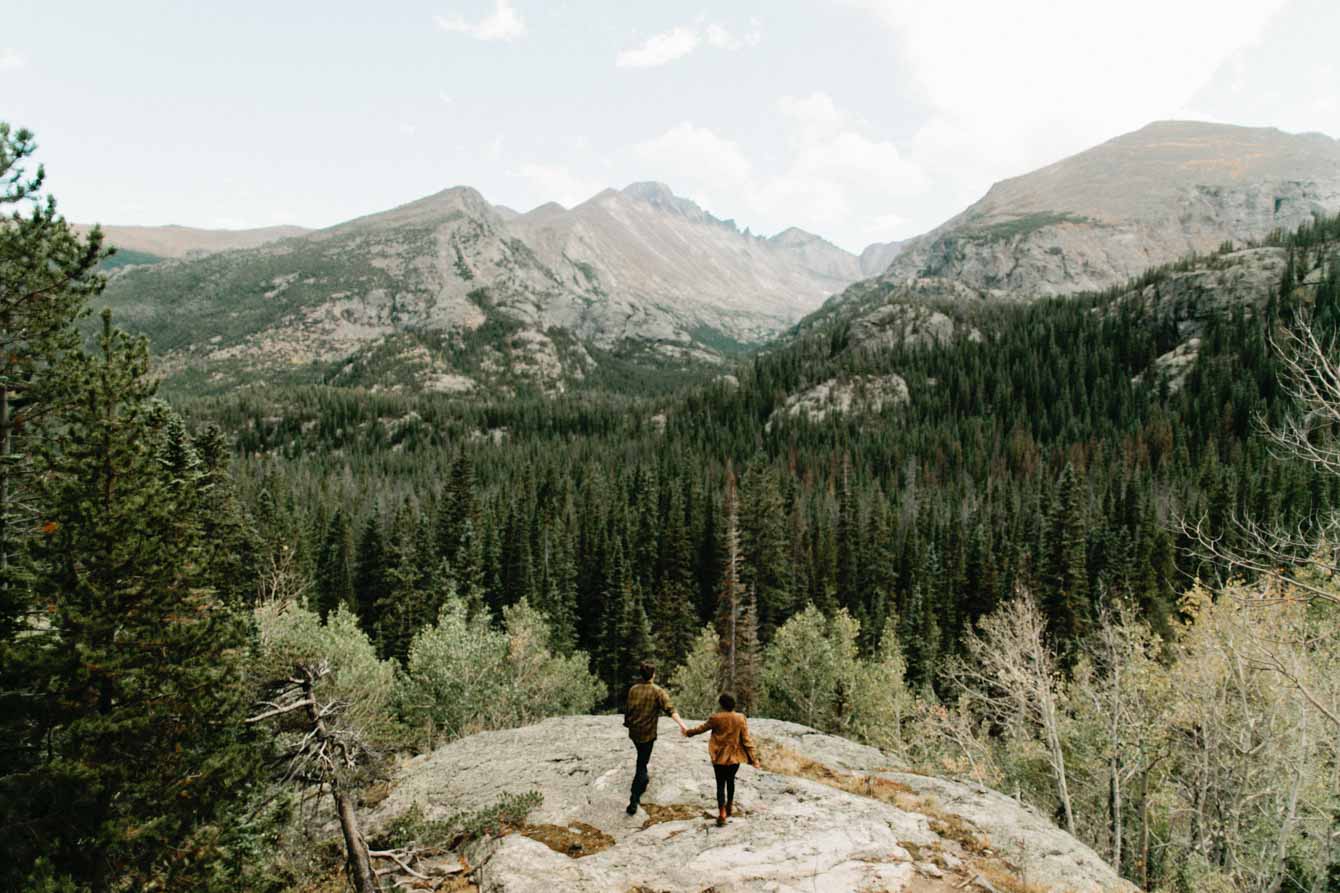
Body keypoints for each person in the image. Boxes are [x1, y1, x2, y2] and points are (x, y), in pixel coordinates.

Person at [684, 692, 760, 827]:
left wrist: (688, 733)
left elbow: (701, 729)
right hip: (734, 757)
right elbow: (746, 740)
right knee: (730, 781)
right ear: (733, 704)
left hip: (719, 757)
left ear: (721, 705)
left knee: (720, 784)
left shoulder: (716, 718)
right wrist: (754, 759)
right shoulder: (740, 718)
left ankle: (722, 813)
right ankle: (730, 805)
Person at [623, 661, 687, 815]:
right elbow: (670, 709)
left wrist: (627, 723)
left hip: (634, 732)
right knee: (642, 764)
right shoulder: (657, 691)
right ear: (653, 675)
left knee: (641, 758)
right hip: (647, 734)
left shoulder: (633, 689)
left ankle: (642, 780)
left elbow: (628, 709)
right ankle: (634, 798)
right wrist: (682, 725)